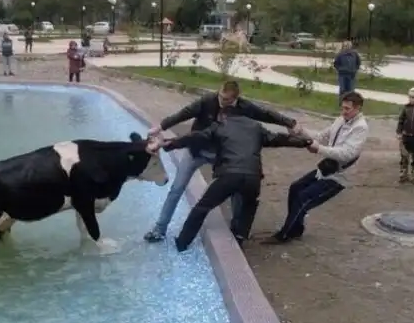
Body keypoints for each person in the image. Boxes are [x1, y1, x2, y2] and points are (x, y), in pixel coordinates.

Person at [143, 80, 302, 243]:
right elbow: (183, 113)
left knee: (237, 191)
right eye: (220, 96)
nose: (221, 101)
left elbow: (266, 114)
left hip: (221, 155)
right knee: (177, 188)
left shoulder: (244, 107)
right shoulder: (207, 101)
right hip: (196, 151)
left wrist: (290, 123)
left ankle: (237, 230)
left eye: (226, 99)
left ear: (235, 98)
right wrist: (160, 127)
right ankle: (159, 229)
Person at [157, 110, 313, 251]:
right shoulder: (256, 127)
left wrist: (171, 144)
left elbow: (196, 136)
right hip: (253, 177)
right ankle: (239, 236)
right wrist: (304, 142)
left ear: (223, 115)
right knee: (249, 205)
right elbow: (279, 138)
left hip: (229, 176)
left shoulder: (220, 126)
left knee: (202, 207)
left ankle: (182, 242)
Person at [261, 91, 368, 245]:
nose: (343, 112)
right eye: (342, 107)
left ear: (357, 108)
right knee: (295, 188)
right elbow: (320, 136)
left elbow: (347, 154)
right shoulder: (340, 120)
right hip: (326, 168)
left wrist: (319, 149)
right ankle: (296, 229)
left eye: (347, 109)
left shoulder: (361, 128)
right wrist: (300, 132)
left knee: (303, 198)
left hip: (339, 176)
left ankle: (284, 234)